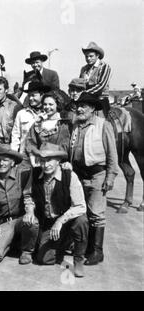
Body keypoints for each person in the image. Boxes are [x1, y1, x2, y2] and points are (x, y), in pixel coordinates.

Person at [69, 93, 119, 266]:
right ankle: (83, 247)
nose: (80, 109)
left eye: (85, 106)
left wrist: (111, 176)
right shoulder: (75, 125)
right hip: (78, 174)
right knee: (80, 211)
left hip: (97, 174)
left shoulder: (103, 125)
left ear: (92, 109)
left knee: (96, 213)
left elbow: (113, 153)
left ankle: (97, 251)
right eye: (79, 106)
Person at [30, 143, 88, 277]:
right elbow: (29, 196)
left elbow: (80, 206)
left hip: (67, 221)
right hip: (49, 223)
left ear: (59, 161)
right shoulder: (36, 175)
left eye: (50, 160)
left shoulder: (69, 176)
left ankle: (78, 258)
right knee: (44, 259)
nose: (46, 165)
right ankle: (64, 244)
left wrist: (61, 220)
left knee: (82, 220)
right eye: (42, 161)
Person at [0, 144, 39, 264]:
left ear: (13, 162)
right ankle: (10, 243)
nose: (1, 163)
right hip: (3, 223)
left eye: (5, 160)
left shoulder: (22, 174)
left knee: (32, 221)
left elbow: (28, 195)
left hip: (20, 220)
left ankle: (27, 251)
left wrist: (30, 211)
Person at [25, 91, 71, 163]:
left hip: (58, 163)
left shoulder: (64, 125)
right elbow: (31, 143)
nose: (47, 107)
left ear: (57, 105)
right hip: (41, 163)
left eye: (51, 104)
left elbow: (65, 149)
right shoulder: (38, 124)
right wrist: (36, 157)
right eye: (45, 104)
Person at [11, 81, 50, 155]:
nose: (31, 98)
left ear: (42, 95)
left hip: (44, 156)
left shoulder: (49, 115)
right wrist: (14, 155)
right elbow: (15, 137)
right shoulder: (21, 114)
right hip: (25, 156)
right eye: (29, 96)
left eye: (33, 95)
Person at [79, 42, 112, 115]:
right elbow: (79, 85)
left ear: (97, 55)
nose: (88, 58)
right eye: (86, 56)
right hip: (85, 100)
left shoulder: (104, 66)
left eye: (91, 56)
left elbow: (101, 85)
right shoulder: (83, 69)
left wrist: (85, 93)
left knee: (102, 122)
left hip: (100, 100)